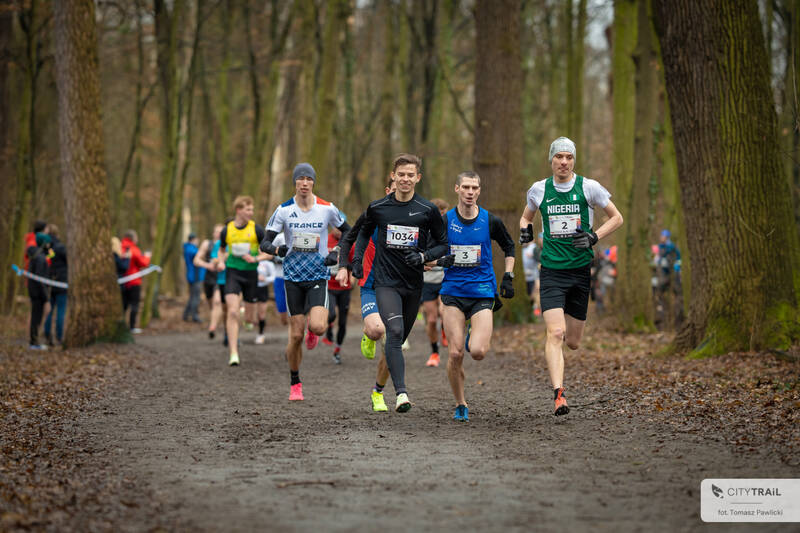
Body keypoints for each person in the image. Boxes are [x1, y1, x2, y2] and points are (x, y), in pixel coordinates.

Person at [519, 136, 623, 416]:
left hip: (580, 272)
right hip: (551, 271)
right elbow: (526, 217)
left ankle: (563, 344)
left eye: (569, 157)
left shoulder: (589, 187)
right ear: (551, 160)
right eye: (559, 157)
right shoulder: (539, 189)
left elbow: (617, 217)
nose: (564, 162)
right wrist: (525, 230)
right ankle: (559, 394)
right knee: (556, 332)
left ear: (574, 160)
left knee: (573, 342)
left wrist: (594, 236)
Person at [344, 153, 449, 412]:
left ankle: (378, 389)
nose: (405, 179)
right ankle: (402, 394)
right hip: (385, 282)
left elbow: (443, 244)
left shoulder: (427, 210)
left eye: (410, 175)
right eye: (401, 174)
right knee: (393, 332)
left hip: (413, 285)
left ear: (418, 178)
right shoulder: (378, 208)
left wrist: (423, 256)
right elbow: (362, 233)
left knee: (397, 339)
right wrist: (356, 261)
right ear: (393, 176)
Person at [260, 163, 350, 401]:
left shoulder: (326, 208)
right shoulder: (283, 210)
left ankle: (314, 330)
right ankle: (295, 382)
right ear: (295, 183)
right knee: (295, 336)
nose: (304, 183)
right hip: (292, 278)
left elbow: (349, 232)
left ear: (313, 182)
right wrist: (277, 250)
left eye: (308, 179)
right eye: (300, 179)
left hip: (318, 275)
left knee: (318, 327)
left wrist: (336, 252)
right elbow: (265, 243)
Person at [439, 171, 516, 421]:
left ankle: (473, 332)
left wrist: (508, 275)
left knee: (478, 351)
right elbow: (428, 251)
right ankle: (460, 403)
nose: (470, 192)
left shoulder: (490, 220)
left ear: (479, 191)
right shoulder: (445, 220)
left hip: (482, 291)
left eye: (474, 188)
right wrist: (437, 260)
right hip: (453, 292)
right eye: (466, 187)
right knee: (455, 354)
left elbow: (509, 246)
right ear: (457, 189)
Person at [336, 175, 397, 413]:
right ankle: (368, 334)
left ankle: (378, 392)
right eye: (395, 190)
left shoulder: (415, 217)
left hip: (399, 288)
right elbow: (349, 238)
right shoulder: (373, 214)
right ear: (387, 190)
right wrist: (345, 266)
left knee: (393, 344)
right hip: (371, 285)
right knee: (377, 330)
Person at [218, 197, 269, 366]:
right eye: (248, 209)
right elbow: (221, 250)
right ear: (238, 210)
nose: (251, 213)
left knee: (249, 319)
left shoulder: (257, 229)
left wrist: (256, 259)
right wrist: (220, 261)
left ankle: (247, 318)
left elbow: (268, 253)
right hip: (233, 272)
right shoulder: (227, 230)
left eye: (252, 210)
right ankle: (233, 353)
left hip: (251, 274)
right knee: (232, 311)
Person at [422, 198, 449, 367]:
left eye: (443, 214)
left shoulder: (450, 231)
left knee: (444, 312)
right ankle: (434, 352)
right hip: (427, 281)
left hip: (445, 280)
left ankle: (445, 331)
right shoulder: (423, 232)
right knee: (431, 320)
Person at [323, 226, 353, 364]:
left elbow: (353, 264)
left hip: (344, 287)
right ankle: (329, 327)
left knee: (342, 322)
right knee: (331, 315)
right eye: (337, 228)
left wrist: (351, 277)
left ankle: (337, 350)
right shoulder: (325, 240)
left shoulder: (350, 243)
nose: (339, 231)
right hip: (329, 286)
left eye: (342, 229)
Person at [193, 225, 225, 339]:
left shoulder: (227, 245)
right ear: (213, 233)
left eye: (221, 232)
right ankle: (219, 322)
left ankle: (212, 327)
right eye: (217, 232)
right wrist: (207, 265)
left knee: (217, 302)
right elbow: (196, 260)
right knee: (212, 305)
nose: (218, 234)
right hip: (209, 278)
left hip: (221, 277)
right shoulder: (207, 244)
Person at [120, 230, 151, 334]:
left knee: (124, 305)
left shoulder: (120, 247)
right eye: (136, 237)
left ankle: (121, 326)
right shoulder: (133, 249)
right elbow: (143, 263)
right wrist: (147, 256)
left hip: (122, 281)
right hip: (134, 281)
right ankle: (132, 327)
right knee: (134, 305)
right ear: (132, 238)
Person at [43, 225, 68, 346]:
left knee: (50, 310)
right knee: (61, 311)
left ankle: (47, 334)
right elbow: (69, 261)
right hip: (62, 283)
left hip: (50, 282)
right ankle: (59, 337)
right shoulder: (60, 247)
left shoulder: (47, 248)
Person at [27, 233, 52, 349]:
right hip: (37, 293)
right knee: (36, 317)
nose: (49, 246)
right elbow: (40, 279)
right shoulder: (40, 258)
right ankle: (34, 341)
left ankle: (34, 340)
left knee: (35, 316)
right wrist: (46, 298)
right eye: (48, 244)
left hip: (34, 291)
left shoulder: (37, 255)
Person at [182, 233, 204, 323]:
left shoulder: (189, 248)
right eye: (197, 239)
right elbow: (198, 254)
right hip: (195, 276)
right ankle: (194, 315)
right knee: (196, 297)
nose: (198, 241)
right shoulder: (191, 249)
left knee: (192, 296)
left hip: (194, 275)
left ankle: (186, 315)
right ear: (193, 240)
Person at [254, 255, 276, 344]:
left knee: (261, 313)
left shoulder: (268, 263)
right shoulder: (252, 259)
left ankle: (261, 334)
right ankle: (249, 322)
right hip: (251, 288)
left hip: (263, 289)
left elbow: (273, 277)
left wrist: (265, 279)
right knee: (252, 312)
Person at [522, 233, 543, 318]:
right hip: (527, 276)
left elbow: (539, 259)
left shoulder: (534, 247)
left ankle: (537, 311)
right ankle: (534, 310)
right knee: (530, 295)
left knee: (536, 292)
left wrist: (533, 256)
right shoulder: (523, 248)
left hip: (535, 275)